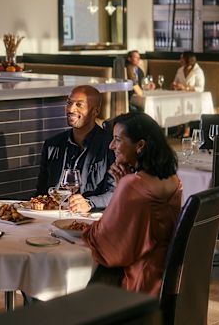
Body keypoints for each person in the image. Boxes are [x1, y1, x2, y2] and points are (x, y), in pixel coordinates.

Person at [83, 112, 182, 296]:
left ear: (140, 145)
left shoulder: (133, 185)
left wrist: (122, 190)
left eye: (117, 140)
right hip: (167, 279)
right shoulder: (174, 180)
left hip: (137, 284)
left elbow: (108, 247)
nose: (111, 146)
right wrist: (123, 187)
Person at [35, 85, 115, 213]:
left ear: (96, 111)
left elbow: (115, 193)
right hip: (54, 216)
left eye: (79, 105)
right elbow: (41, 192)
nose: (71, 109)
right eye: (69, 103)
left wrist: (90, 203)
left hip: (94, 219)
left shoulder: (111, 146)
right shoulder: (52, 145)